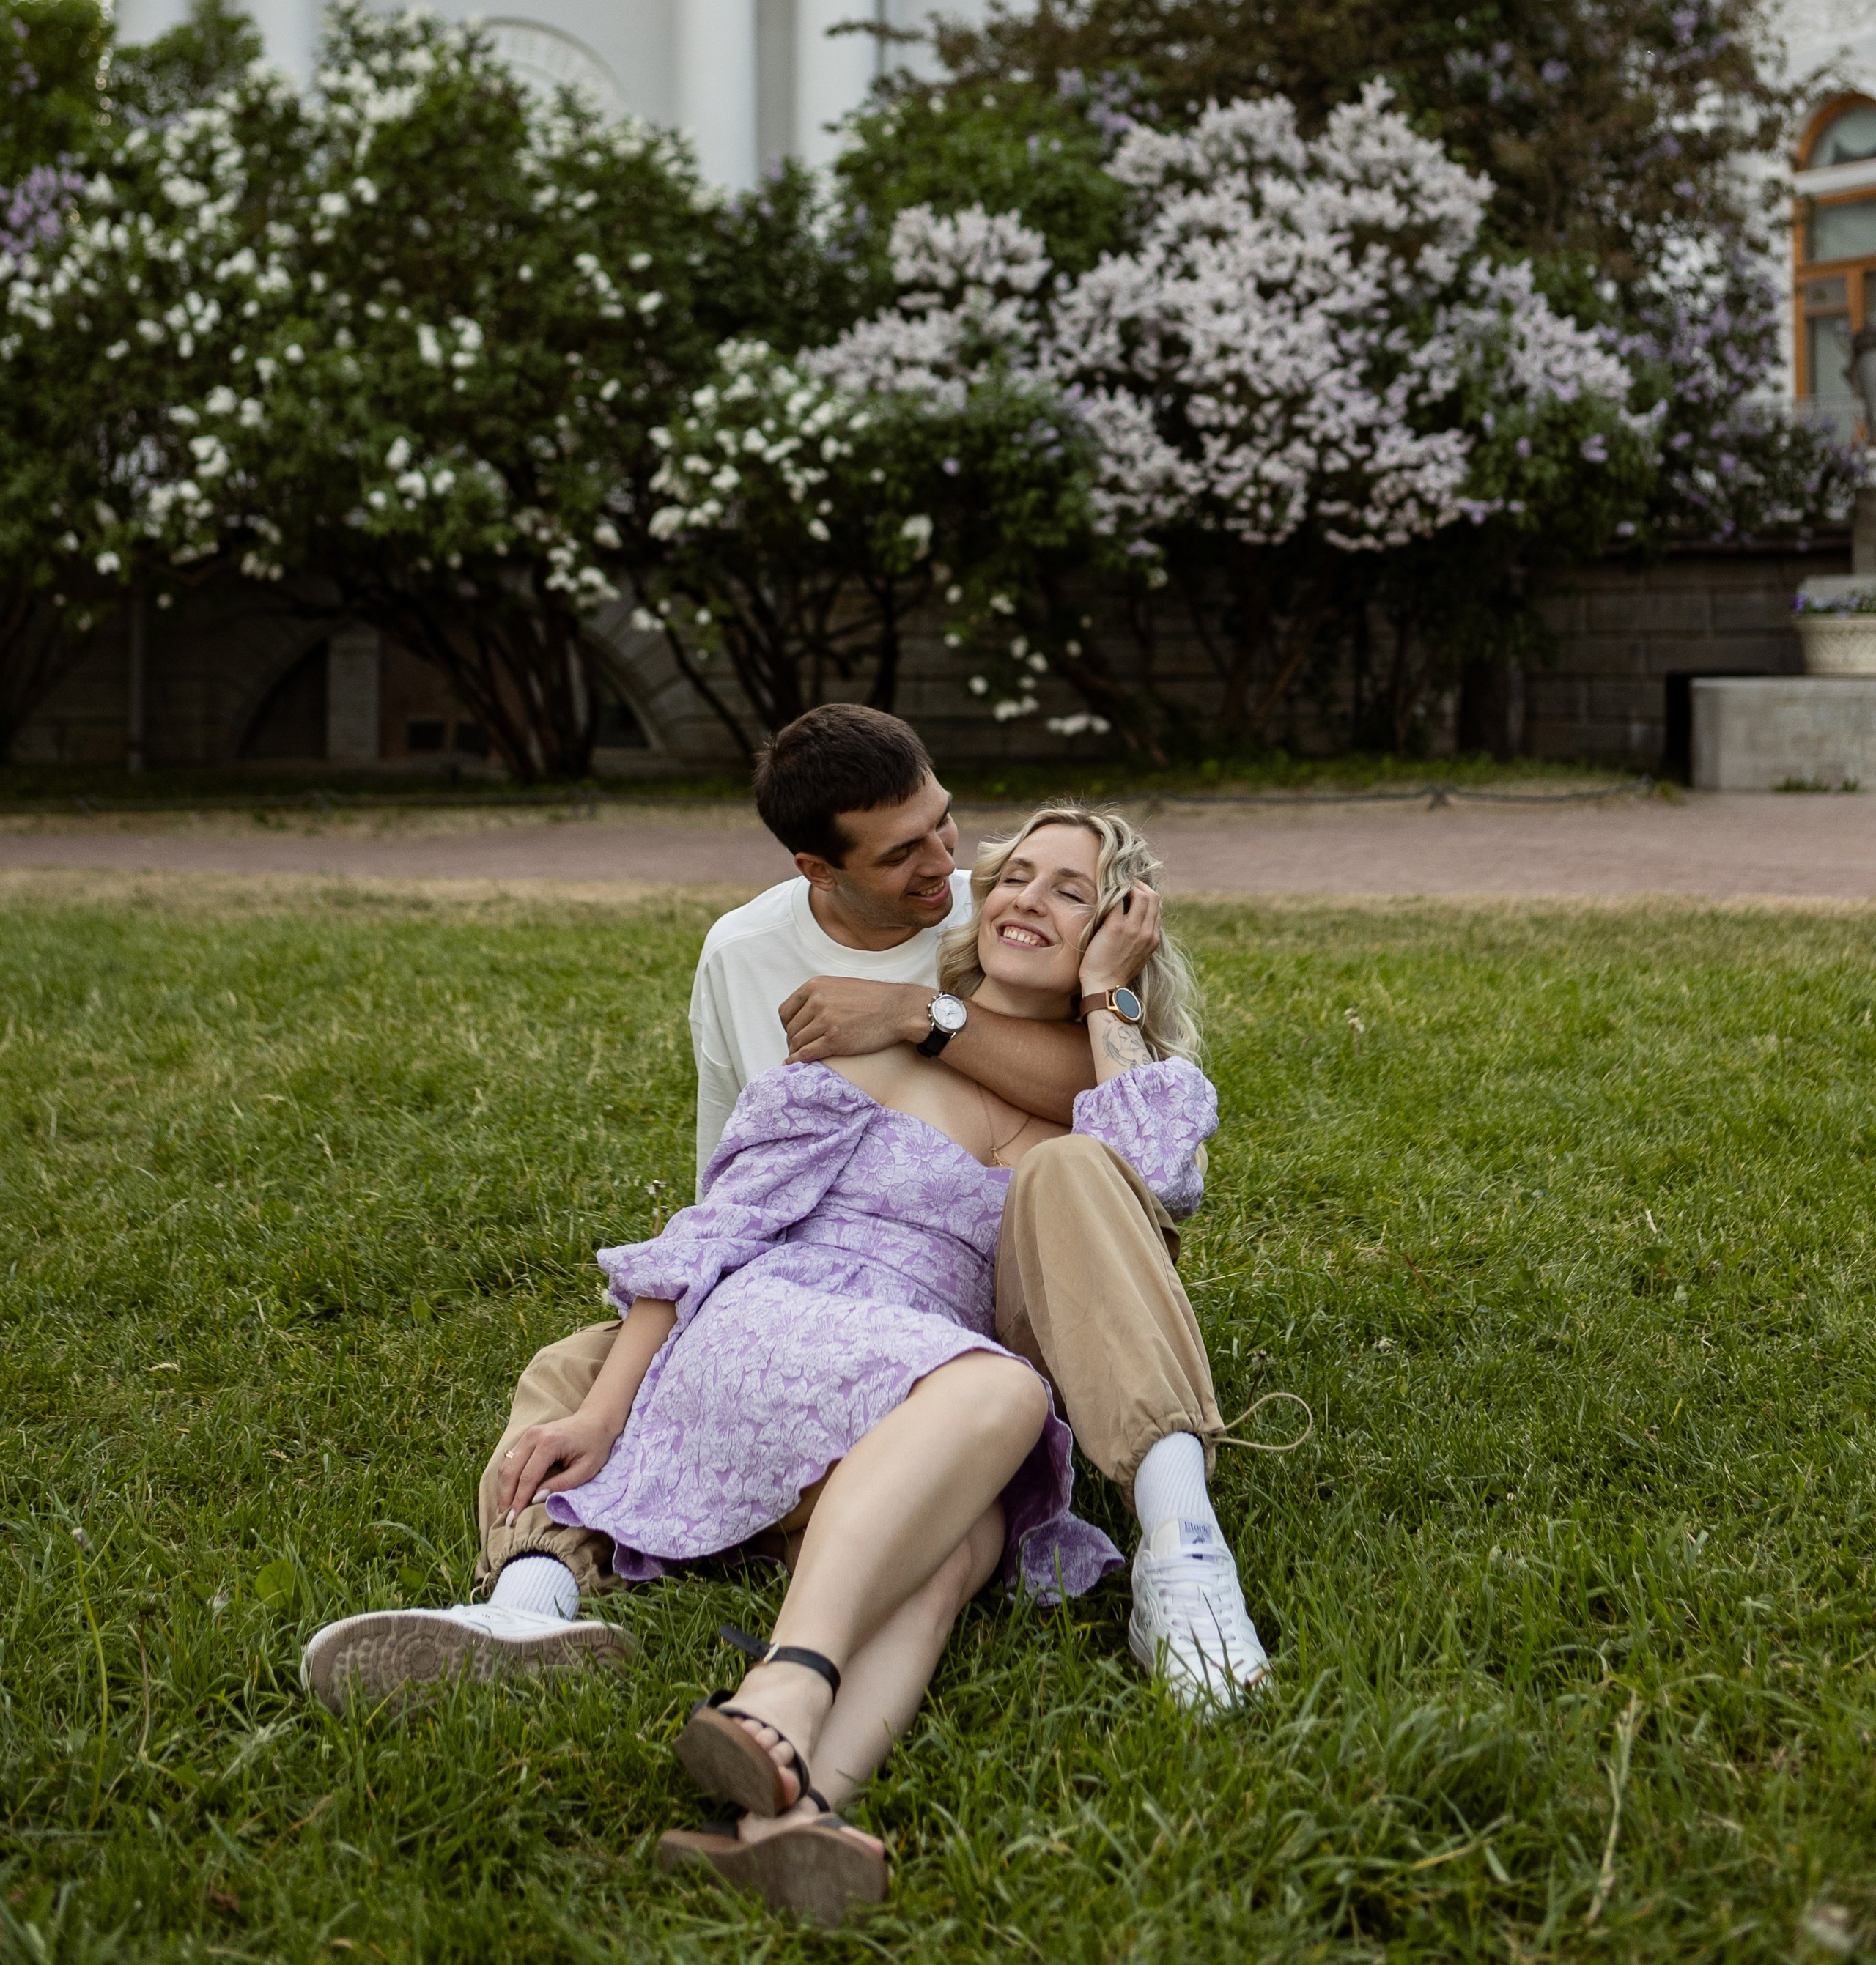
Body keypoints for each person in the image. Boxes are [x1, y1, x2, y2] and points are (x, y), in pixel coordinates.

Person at [300, 712, 1266, 1717]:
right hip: (813, 1293)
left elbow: (1136, 1147)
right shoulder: (750, 957)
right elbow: (731, 1202)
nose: (963, 877)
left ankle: (1175, 1553)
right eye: (918, 855)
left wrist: (986, 1006)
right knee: (584, 1367)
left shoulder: (994, 924)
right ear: (822, 866)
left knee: (1064, 1179)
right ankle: (532, 1602)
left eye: (951, 830)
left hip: (1008, 1321)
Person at [507, 809, 1247, 1921]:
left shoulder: (1095, 1109)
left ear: (1117, 928)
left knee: (972, 1538)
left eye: (1067, 891)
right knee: (1005, 1389)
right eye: (1012, 878)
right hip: (789, 1337)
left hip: (911, 1416)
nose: (1025, 902)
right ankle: (782, 1685)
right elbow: (715, 1229)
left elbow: (1159, 1185)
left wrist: (1109, 1000)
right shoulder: (868, 1047)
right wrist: (612, 1404)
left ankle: (789, 1814)